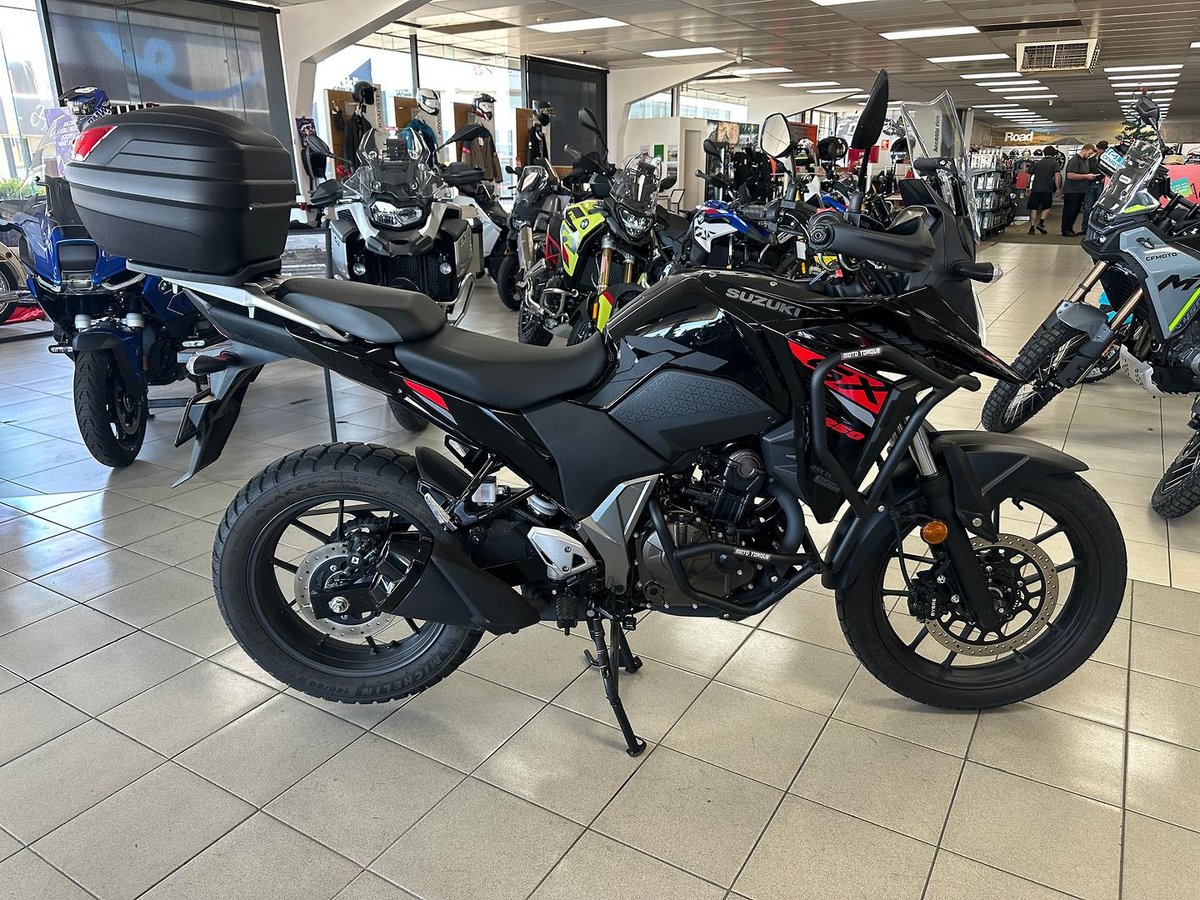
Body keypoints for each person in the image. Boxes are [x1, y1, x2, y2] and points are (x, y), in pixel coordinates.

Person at [1062, 143, 1101, 236]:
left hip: (1081, 190)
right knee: (1069, 211)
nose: (1089, 155)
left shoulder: (1085, 161)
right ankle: (1066, 229)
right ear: (1084, 150)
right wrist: (1086, 176)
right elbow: (1070, 175)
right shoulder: (1075, 160)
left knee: (1075, 211)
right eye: (1089, 153)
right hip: (1072, 191)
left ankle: (1070, 228)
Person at [1026, 146, 1062, 235]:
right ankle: (1041, 223)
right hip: (1047, 189)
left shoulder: (1037, 163)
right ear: (1054, 154)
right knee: (1047, 207)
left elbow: (1028, 175)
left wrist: (1027, 187)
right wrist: (1058, 188)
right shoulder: (1054, 163)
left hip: (1035, 189)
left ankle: (1032, 228)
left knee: (1034, 208)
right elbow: (1057, 176)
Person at [1083, 139, 1108, 225]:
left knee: (1098, 208)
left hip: (1101, 184)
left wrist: (1105, 178)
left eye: (1103, 150)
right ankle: (1085, 226)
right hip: (1091, 184)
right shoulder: (1090, 160)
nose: (1101, 151)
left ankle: (1094, 225)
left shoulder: (1105, 161)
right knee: (1088, 207)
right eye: (1100, 149)